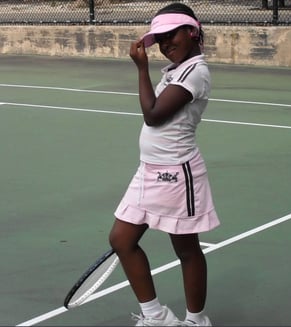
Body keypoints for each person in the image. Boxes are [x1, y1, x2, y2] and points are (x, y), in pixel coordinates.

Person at [108, 2, 220, 326]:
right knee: (121, 240)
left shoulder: (196, 72)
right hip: (149, 172)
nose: (165, 43)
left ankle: (196, 320)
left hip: (177, 174)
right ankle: (156, 316)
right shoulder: (177, 70)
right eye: (159, 39)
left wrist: (141, 69)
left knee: (186, 249)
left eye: (171, 34)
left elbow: (153, 114)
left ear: (192, 31)